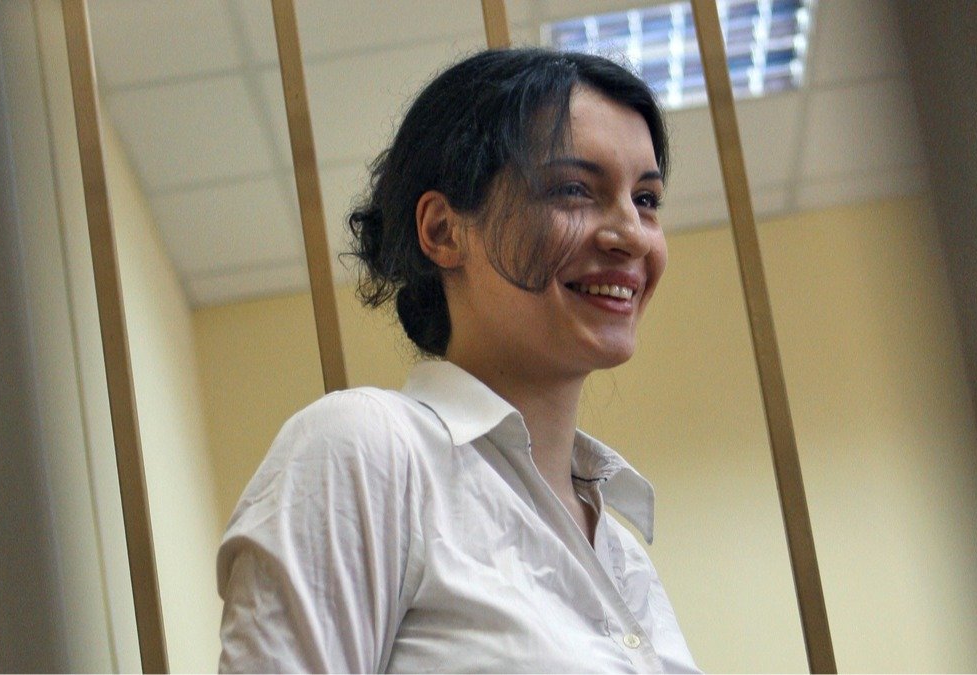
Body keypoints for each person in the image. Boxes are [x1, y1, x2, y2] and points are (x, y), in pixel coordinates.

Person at [216, 48, 699, 673]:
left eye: (646, 199)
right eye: (574, 190)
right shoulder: (368, 449)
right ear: (444, 230)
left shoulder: (623, 555)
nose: (631, 233)